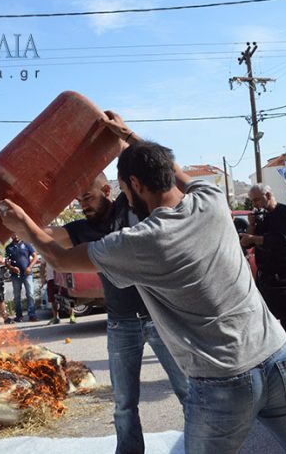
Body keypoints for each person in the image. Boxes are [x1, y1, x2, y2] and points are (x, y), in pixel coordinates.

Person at [0, 112, 286, 453]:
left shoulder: (141, 242)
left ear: (136, 185)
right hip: (278, 360)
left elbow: (58, 258)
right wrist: (130, 136)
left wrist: (22, 224)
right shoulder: (212, 200)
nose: (126, 200)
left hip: (223, 380)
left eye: (125, 190)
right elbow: (179, 174)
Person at [43, 172, 187, 454]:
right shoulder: (81, 229)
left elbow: (142, 172)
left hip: (158, 316)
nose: (83, 204)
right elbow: (46, 237)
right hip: (120, 323)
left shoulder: (129, 206)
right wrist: (21, 218)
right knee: (123, 404)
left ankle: (201, 447)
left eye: (88, 196)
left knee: (188, 392)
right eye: (79, 199)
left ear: (107, 190)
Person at [241, 183, 286, 359]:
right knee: (266, 321)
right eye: (252, 201)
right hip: (267, 277)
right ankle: (275, 358)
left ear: (268, 195)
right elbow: (247, 243)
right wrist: (252, 226)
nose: (255, 204)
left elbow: (282, 240)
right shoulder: (262, 217)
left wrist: (255, 238)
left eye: (257, 200)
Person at [4, 234, 39, 322]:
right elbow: (7, 262)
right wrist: (11, 268)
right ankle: (19, 316)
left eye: (16, 233)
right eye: (13, 234)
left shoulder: (26, 244)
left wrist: (30, 267)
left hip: (27, 274)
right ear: (11, 236)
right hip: (16, 275)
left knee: (30, 294)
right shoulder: (8, 248)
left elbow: (35, 257)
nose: (15, 235)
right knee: (16, 296)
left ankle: (32, 315)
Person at [43, 260, 75, 325]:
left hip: (64, 277)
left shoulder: (62, 249)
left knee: (69, 297)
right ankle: (55, 317)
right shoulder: (45, 251)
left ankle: (72, 315)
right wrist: (42, 278)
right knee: (52, 299)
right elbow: (42, 265)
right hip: (51, 278)